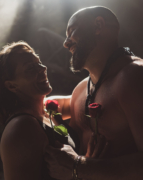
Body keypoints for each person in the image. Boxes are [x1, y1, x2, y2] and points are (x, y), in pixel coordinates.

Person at [45, 6, 143, 180]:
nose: (66, 43)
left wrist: (80, 168)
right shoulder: (81, 90)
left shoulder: (133, 77)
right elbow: (47, 105)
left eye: (72, 31)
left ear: (98, 25)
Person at [0, 41, 107, 180]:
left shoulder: (48, 108)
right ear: (12, 86)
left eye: (39, 62)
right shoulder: (21, 127)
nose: (42, 68)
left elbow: (88, 96)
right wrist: (83, 170)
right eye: (31, 68)